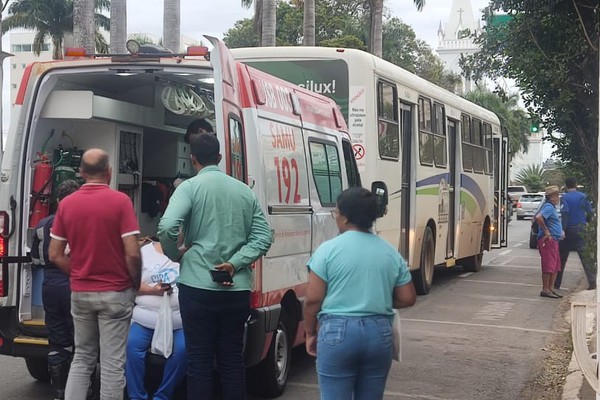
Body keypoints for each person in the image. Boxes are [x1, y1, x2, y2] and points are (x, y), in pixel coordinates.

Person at [157, 133, 272, 399]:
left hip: (196, 286)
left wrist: (177, 255)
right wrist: (235, 263)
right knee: (232, 359)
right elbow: (264, 236)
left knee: (199, 360)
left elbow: (166, 226)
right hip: (236, 290)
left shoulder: (189, 188)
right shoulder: (244, 191)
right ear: (220, 158)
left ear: (192, 158)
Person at [303, 187, 417, 400]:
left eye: (336, 212)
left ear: (345, 218)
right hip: (379, 333)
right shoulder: (390, 252)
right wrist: (378, 297)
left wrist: (310, 332)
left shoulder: (327, 251)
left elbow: (313, 299)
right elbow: (408, 297)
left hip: (337, 333)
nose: (336, 216)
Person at [49, 148, 142, 400]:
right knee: (112, 364)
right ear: (109, 172)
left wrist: (77, 273)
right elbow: (133, 253)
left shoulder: (67, 204)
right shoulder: (121, 201)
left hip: (81, 292)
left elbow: (55, 253)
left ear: (81, 173)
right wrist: (134, 284)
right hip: (115, 292)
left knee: (82, 357)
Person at [30, 179, 79, 400]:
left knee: (57, 337)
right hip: (73, 285)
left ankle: (59, 391)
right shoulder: (81, 223)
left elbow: (37, 258)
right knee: (79, 338)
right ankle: (80, 390)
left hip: (49, 286)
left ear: (58, 201)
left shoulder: (43, 225)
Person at [125, 238, 186, 400]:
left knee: (183, 350)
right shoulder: (144, 252)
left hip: (179, 321)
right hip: (145, 318)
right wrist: (155, 290)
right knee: (131, 347)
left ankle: (163, 396)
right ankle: (136, 396)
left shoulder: (191, 253)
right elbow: (130, 283)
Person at [556, 177, 595, 290]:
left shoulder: (565, 197)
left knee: (562, 257)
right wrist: (586, 223)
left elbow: (565, 213)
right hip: (581, 227)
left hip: (569, 228)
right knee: (584, 257)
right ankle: (592, 282)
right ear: (576, 184)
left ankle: (557, 283)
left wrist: (563, 229)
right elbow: (590, 212)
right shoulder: (583, 196)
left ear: (566, 185)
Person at [535, 185, 564, 299]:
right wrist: (547, 232)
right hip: (548, 240)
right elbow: (539, 217)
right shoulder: (548, 207)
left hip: (554, 240)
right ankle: (546, 289)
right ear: (551, 197)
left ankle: (550, 288)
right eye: (556, 195)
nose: (558, 198)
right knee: (549, 265)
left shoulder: (551, 207)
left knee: (555, 265)